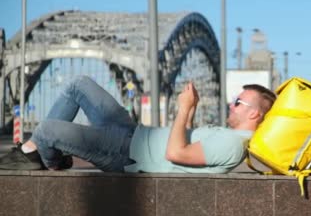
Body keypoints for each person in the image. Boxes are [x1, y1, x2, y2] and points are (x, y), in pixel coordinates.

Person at [0, 76, 276, 173]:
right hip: (132, 133)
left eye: (239, 102)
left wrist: (182, 108)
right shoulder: (228, 137)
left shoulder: (232, 143)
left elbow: (175, 154)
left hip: (125, 152)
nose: (232, 104)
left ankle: (43, 157)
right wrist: (190, 110)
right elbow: (187, 141)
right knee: (78, 85)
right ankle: (35, 151)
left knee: (47, 130)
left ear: (254, 115)